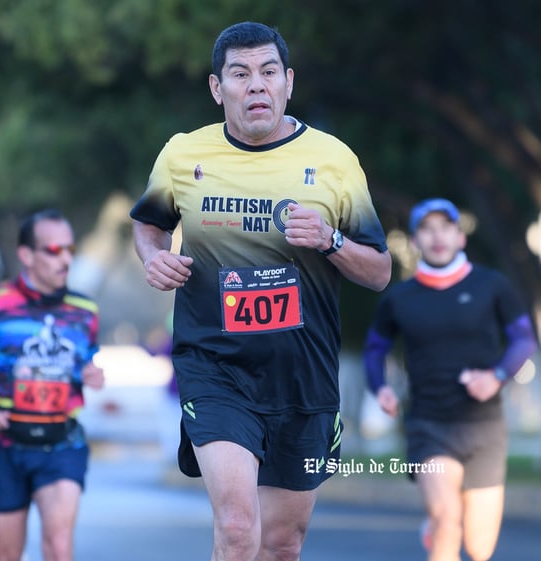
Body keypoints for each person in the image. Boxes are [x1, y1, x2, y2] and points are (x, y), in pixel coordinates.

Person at [130, 21, 391, 561]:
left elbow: (379, 271)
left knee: (281, 544)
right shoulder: (183, 155)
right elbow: (149, 223)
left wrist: (329, 238)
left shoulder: (335, 161)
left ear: (288, 82)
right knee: (236, 526)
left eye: (268, 73)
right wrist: (155, 257)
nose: (256, 86)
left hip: (304, 374)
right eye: (240, 74)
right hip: (216, 367)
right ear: (216, 87)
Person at [363, 198, 537, 561]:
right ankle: (439, 527)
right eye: (427, 229)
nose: (437, 236)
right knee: (447, 519)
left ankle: (439, 529)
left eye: (445, 228)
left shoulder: (492, 286)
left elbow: (524, 338)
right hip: (429, 424)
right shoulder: (400, 298)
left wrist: (497, 376)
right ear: (414, 242)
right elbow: (375, 348)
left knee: (479, 546)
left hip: (484, 427)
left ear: (460, 237)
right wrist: (381, 388)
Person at [0, 208, 105, 561]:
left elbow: (84, 364)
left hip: (62, 445)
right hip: (3, 445)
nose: (65, 260)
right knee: (6, 553)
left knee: (59, 547)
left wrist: (93, 374)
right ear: (27, 255)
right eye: (53, 250)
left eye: (70, 250)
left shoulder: (84, 310)